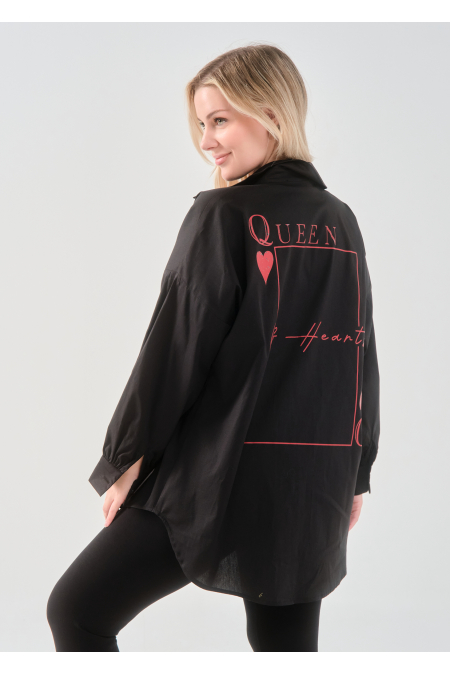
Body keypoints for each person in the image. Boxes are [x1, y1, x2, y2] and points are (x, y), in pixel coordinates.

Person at [47, 43, 380, 652]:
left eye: (220, 120)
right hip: (309, 481)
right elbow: (359, 360)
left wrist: (125, 460)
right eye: (202, 124)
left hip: (217, 473)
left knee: (77, 612)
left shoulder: (222, 214)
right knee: (284, 648)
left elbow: (175, 349)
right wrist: (356, 471)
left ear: (272, 114)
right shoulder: (341, 221)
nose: (207, 141)